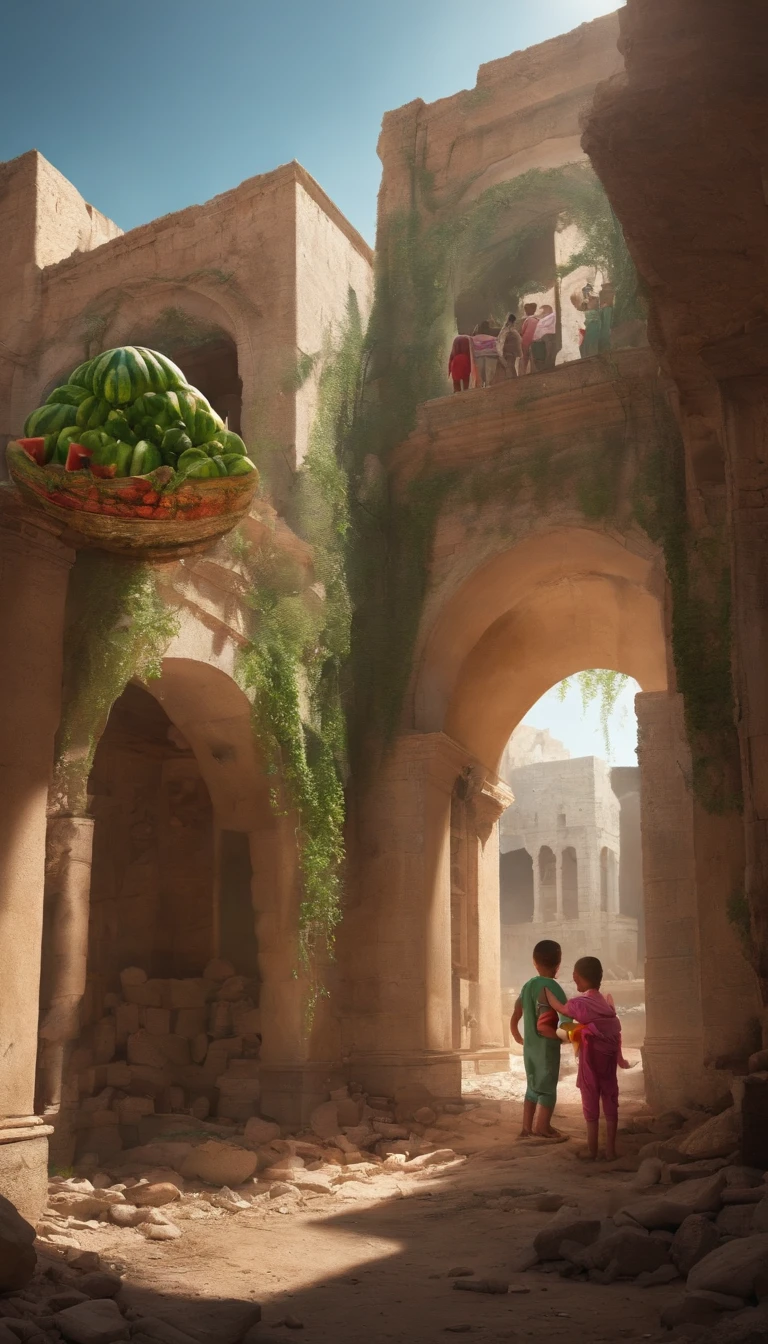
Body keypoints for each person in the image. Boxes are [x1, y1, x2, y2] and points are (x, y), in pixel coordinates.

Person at [544, 955, 632, 1161]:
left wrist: (547, 992)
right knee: (611, 1104)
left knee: (590, 1104)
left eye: (574, 976)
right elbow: (615, 1032)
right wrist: (620, 1059)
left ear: (578, 977)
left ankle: (592, 1150)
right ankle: (610, 1150)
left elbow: (560, 1008)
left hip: (590, 1064)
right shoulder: (606, 1005)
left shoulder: (579, 1004)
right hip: (608, 1065)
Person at [510, 939, 567, 1140]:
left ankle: (526, 1128)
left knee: (532, 1086)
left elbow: (516, 1014)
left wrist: (517, 1035)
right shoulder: (554, 987)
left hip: (530, 1048)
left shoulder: (528, 986)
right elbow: (566, 1018)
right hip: (547, 1048)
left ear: (534, 962)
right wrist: (567, 1038)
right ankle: (543, 1127)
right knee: (548, 1088)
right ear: (558, 964)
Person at [471, 321, 498, 387]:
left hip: (478, 356)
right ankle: (488, 386)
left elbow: (471, 348)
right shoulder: (493, 338)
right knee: (489, 374)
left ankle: (481, 389)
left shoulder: (473, 338)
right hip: (491, 356)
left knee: (480, 375)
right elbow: (497, 347)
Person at [495, 313, 523, 379]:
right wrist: (500, 354)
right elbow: (501, 341)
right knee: (509, 367)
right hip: (508, 352)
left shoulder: (508, 330)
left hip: (510, 352)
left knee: (510, 367)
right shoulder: (507, 330)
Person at [531, 304, 557, 372]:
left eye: (543, 313)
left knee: (547, 357)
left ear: (547, 312)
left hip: (546, 339)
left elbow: (542, 325)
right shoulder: (546, 318)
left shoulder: (551, 317)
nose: (541, 314)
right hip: (541, 340)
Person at [519, 302, 540, 374]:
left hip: (525, 342)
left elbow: (522, 332)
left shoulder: (526, 320)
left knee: (524, 359)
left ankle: (521, 374)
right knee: (533, 359)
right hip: (535, 342)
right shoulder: (538, 320)